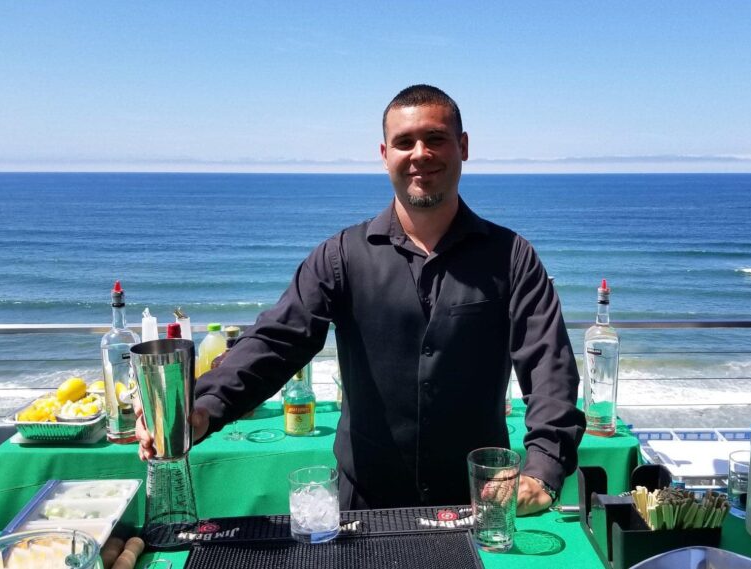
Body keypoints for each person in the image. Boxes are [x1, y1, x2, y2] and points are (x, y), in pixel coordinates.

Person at [136, 84, 585, 515]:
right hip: (365, 504)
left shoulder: (511, 257)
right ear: (384, 154)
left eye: (436, 139)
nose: (420, 154)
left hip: (477, 502)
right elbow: (275, 342)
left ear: (463, 146)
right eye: (404, 142)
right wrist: (201, 407)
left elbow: (549, 364)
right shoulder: (341, 257)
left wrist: (543, 467)